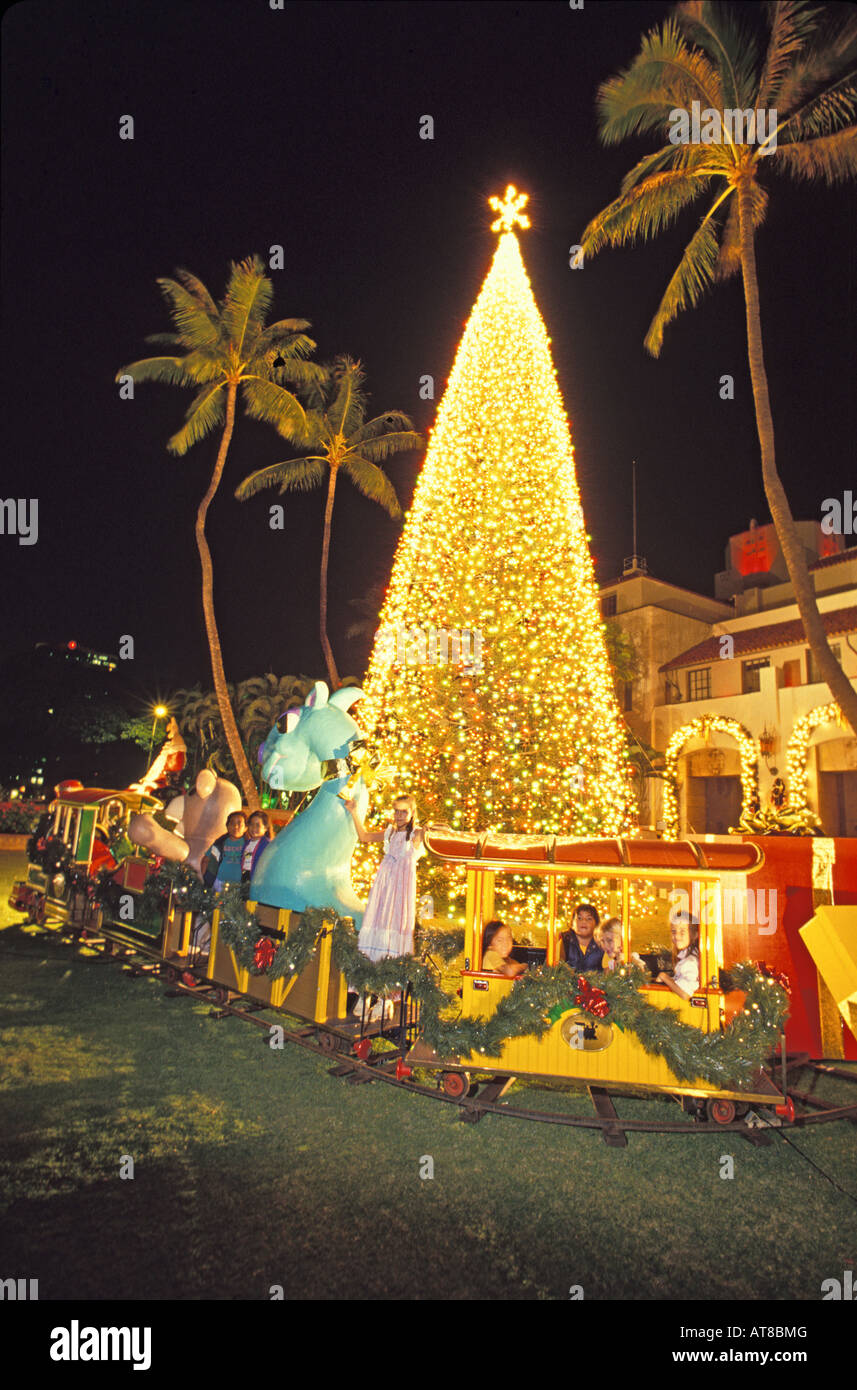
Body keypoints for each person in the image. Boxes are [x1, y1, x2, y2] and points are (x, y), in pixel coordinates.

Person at [343, 794, 425, 961]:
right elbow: (364, 836)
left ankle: (394, 961)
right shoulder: (390, 832)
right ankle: (373, 958)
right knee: (379, 916)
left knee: (397, 919)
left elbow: (437, 836)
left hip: (402, 887)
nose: (399, 816)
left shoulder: (416, 835)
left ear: (412, 812)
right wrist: (353, 812)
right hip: (384, 884)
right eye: (396, 811)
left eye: (403, 812)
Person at [657, 913, 701, 1001]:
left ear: (695, 935)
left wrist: (664, 977)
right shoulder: (688, 958)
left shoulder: (689, 962)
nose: (676, 936)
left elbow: (685, 994)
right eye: (674, 931)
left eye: (682, 932)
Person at [202, 811, 247, 891]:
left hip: (239, 886)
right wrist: (205, 879)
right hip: (219, 884)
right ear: (227, 826)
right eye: (232, 823)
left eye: (239, 824)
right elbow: (205, 860)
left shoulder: (248, 845)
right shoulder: (220, 843)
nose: (235, 826)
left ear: (246, 828)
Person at [560, 903, 604, 972]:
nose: (584, 921)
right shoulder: (565, 940)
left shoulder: (602, 943)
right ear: (572, 923)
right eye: (579, 918)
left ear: (596, 923)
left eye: (589, 919)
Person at [241, 810, 271, 883]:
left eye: (258, 825)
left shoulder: (267, 845)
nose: (254, 828)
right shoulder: (247, 843)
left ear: (265, 828)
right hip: (245, 876)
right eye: (251, 824)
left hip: (258, 880)